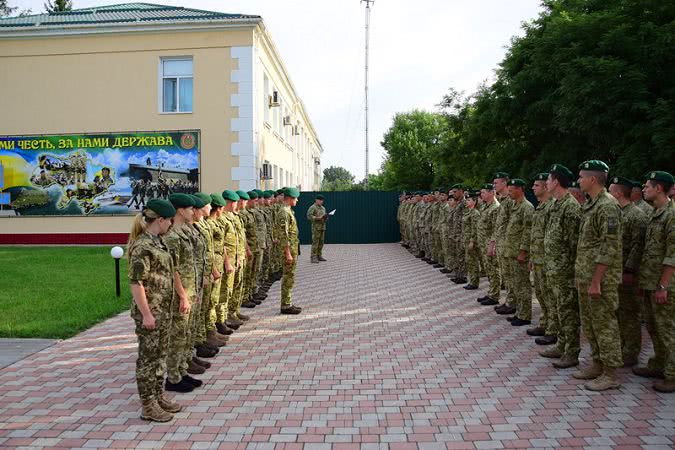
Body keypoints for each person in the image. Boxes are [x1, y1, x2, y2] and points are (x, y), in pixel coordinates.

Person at [127, 198, 180, 422]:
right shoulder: (142, 246)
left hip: (163, 310)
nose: (170, 224)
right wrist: (147, 314)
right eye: (169, 220)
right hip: (151, 312)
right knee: (148, 359)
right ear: (159, 220)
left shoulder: (159, 242)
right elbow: (136, 283)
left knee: (160, 356)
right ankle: (148, 404)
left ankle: (158, 396)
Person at [573, 160, 623, 391]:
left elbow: (609, 247)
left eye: (582, 177)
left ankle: (611, 374)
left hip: (600, 280)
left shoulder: (607, 206)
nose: (579, 180)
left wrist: (595, 281)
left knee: (605, 325)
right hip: (586, 276)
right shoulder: (592, 204)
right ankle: (597, 364)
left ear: (593, 179)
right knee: (591, 324)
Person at [633, 171, 675, 393]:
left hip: (664, 285)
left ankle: (672, 374)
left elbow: (672, 254)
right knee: (654, 327)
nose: (644, 189)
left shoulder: (671, 215)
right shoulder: (653, 213)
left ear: (658, 188)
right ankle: (659, 364)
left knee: (667, 330)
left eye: (647, 185)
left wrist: (663, 285)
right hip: (649, 281)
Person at [540, 164, 581, 362]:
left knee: (568, 312)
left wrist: (573, 273)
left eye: (547, 180)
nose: (546, 183)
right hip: (553, 269)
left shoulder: (571, 207)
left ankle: (571, 352)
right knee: (559, 309)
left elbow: (575, 245)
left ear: (556, 182)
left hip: (565, 272)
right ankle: (562, 345)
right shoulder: (555, 204)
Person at [164, 193, 202, 393]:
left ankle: (182, 371)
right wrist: (182, 295)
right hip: (182, 293)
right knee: (178, 335)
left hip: (191, 289)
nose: (192, 212)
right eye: (189, 209)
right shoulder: (171, 236)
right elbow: (173, 269)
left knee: (186, 333)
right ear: (180, 210)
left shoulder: (185, 230)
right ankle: (173, 378)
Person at [609, 176, 647, 367]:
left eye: (610, 190)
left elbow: (637, 247)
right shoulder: (615, 212)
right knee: (618, 312)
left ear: (618, 192)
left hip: (627, 273)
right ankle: (622, 347)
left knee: (630, 314)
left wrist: (629, 271)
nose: (608, 193)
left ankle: (631, 352)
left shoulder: (636, 215)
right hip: (614, 271)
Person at [502, 179, 534, 326]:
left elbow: (528, 232)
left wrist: (523, 251)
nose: (509, 193)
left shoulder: (527, 207)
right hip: (511, 252)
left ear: (520, 189)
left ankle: (525, 315)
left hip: (519, 254)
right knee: (515, 284)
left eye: (511, 190)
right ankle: (519, 312)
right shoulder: (515, 206)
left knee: (523, 285)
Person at [527, 173, 555, 337]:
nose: (533, 188)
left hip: (547, 260)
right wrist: (532, 256)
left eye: (536, 185)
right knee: (541, 294)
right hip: (538, 258)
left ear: (546, 187)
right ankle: (545, 323)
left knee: (550, 296)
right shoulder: (540, 206)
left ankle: (553, 329)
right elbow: (535, 235)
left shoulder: (551, 206)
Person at [277, 187, 302, 314]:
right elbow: (283, 234)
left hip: (292, 248)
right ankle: (285, 305)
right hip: (288, 250)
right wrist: (287, 253)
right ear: (290, 198)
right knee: (288, 276)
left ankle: (288, 302)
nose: (297, 200)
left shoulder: (288, 211)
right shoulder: (284, 212)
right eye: (295, 198)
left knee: (290, 276)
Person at [477, 184, 501, 305]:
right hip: (483, 243)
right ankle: (491, 292)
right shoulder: (485, 206)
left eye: (484, 192)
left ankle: (495, 295)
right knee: (489, 269)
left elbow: (496, 229)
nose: (482, 195)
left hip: (490, 244)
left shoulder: (495, 207)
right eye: (481, 193)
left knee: (494, 269)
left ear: (492, 193)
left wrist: (492, 245)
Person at [462, 191, 481, 290]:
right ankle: (472, 280)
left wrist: (472, 241)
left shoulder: (475, 213)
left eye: (469, 200)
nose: (466, 202)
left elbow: (475, 228)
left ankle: (474, 282)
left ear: (474, 201)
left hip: (471, 241)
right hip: (466, 239)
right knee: (469, 261)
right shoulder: (468, 212)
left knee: (473, 261)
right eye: (466, 200)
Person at [307, 194, 328, 263]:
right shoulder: (312, 207)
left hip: (322, 227)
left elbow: (324, 217)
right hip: (316, 228)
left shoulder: (323, 208)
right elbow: (309, 216)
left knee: (321, 243)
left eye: (322, 200)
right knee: (315, 243)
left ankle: (319, 256)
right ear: (316, 200)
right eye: (320, 200)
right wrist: (317, 218)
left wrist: (326, 217)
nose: (321, 202)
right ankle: (313, 257)